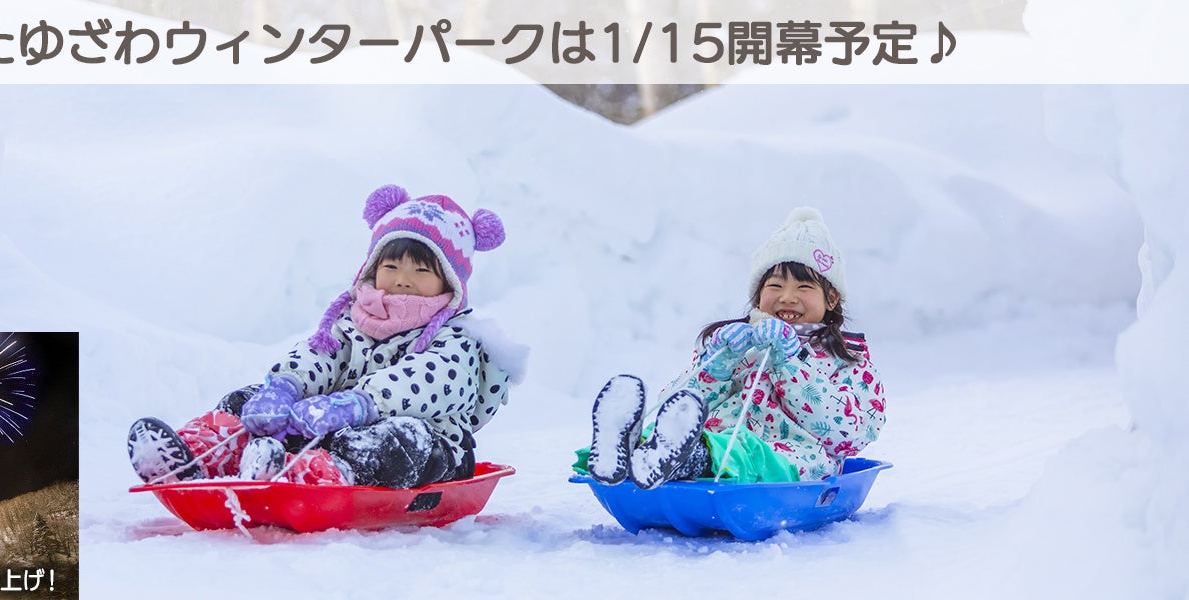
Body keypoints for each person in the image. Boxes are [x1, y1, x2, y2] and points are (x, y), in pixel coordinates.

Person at [129, 184, 519, 489]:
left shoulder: (457, 337)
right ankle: (197, 456)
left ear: (448, 280)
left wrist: (358, 404)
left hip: (431, 446)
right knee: (248, 400)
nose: (403, 278)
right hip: (329, 427)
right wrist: (285, 387)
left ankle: (306, 477)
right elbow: (321, 355)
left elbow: (425, 380)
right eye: (391, 264)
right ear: (371, 267)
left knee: (400, 439)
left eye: (421, 271)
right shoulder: (354, 317)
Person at [586, 207, 887, 488]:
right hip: (714, 437)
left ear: (831, 299)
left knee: (744, 454)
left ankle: (677, 460)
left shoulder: (847, 360)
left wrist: (789, 363)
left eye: (804, 287)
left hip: (789, 462)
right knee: (674, 435)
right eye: (775, 286)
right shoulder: (739, 345)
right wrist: (717, 365)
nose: (787, 297)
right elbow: (677, 405)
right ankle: (621, 449)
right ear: (758, 296)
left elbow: (850, 434)